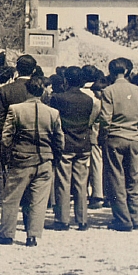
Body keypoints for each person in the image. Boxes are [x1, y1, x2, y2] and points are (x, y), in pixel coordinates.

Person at [0, 75, 62, 247]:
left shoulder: (16, 109)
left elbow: (6, 137)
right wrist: (55, 158)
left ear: (27, 90)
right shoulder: (53, 113)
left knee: (11, 198)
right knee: (38, 201)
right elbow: (59, 140)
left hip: (21, 158)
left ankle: (7, 234)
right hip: (44, 159)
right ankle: (33, 236)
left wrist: (6, 157)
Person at [98, 57, 138, 231]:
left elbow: (105, 119)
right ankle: (137, 217)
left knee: (116, 179)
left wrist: (104, 137)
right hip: (134, 137)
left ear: (111, 72)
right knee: (133, 178)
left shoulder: (108, 91)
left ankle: (123, 219)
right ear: (127, 71)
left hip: (115, 137)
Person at [49, 68, 100, 231]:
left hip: (65, 143)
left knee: (63, 181)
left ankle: (63, 219)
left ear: (66, 80)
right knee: (81, 182)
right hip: (83, 144)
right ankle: (82, 219)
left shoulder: (58, 98)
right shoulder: (89, 100)